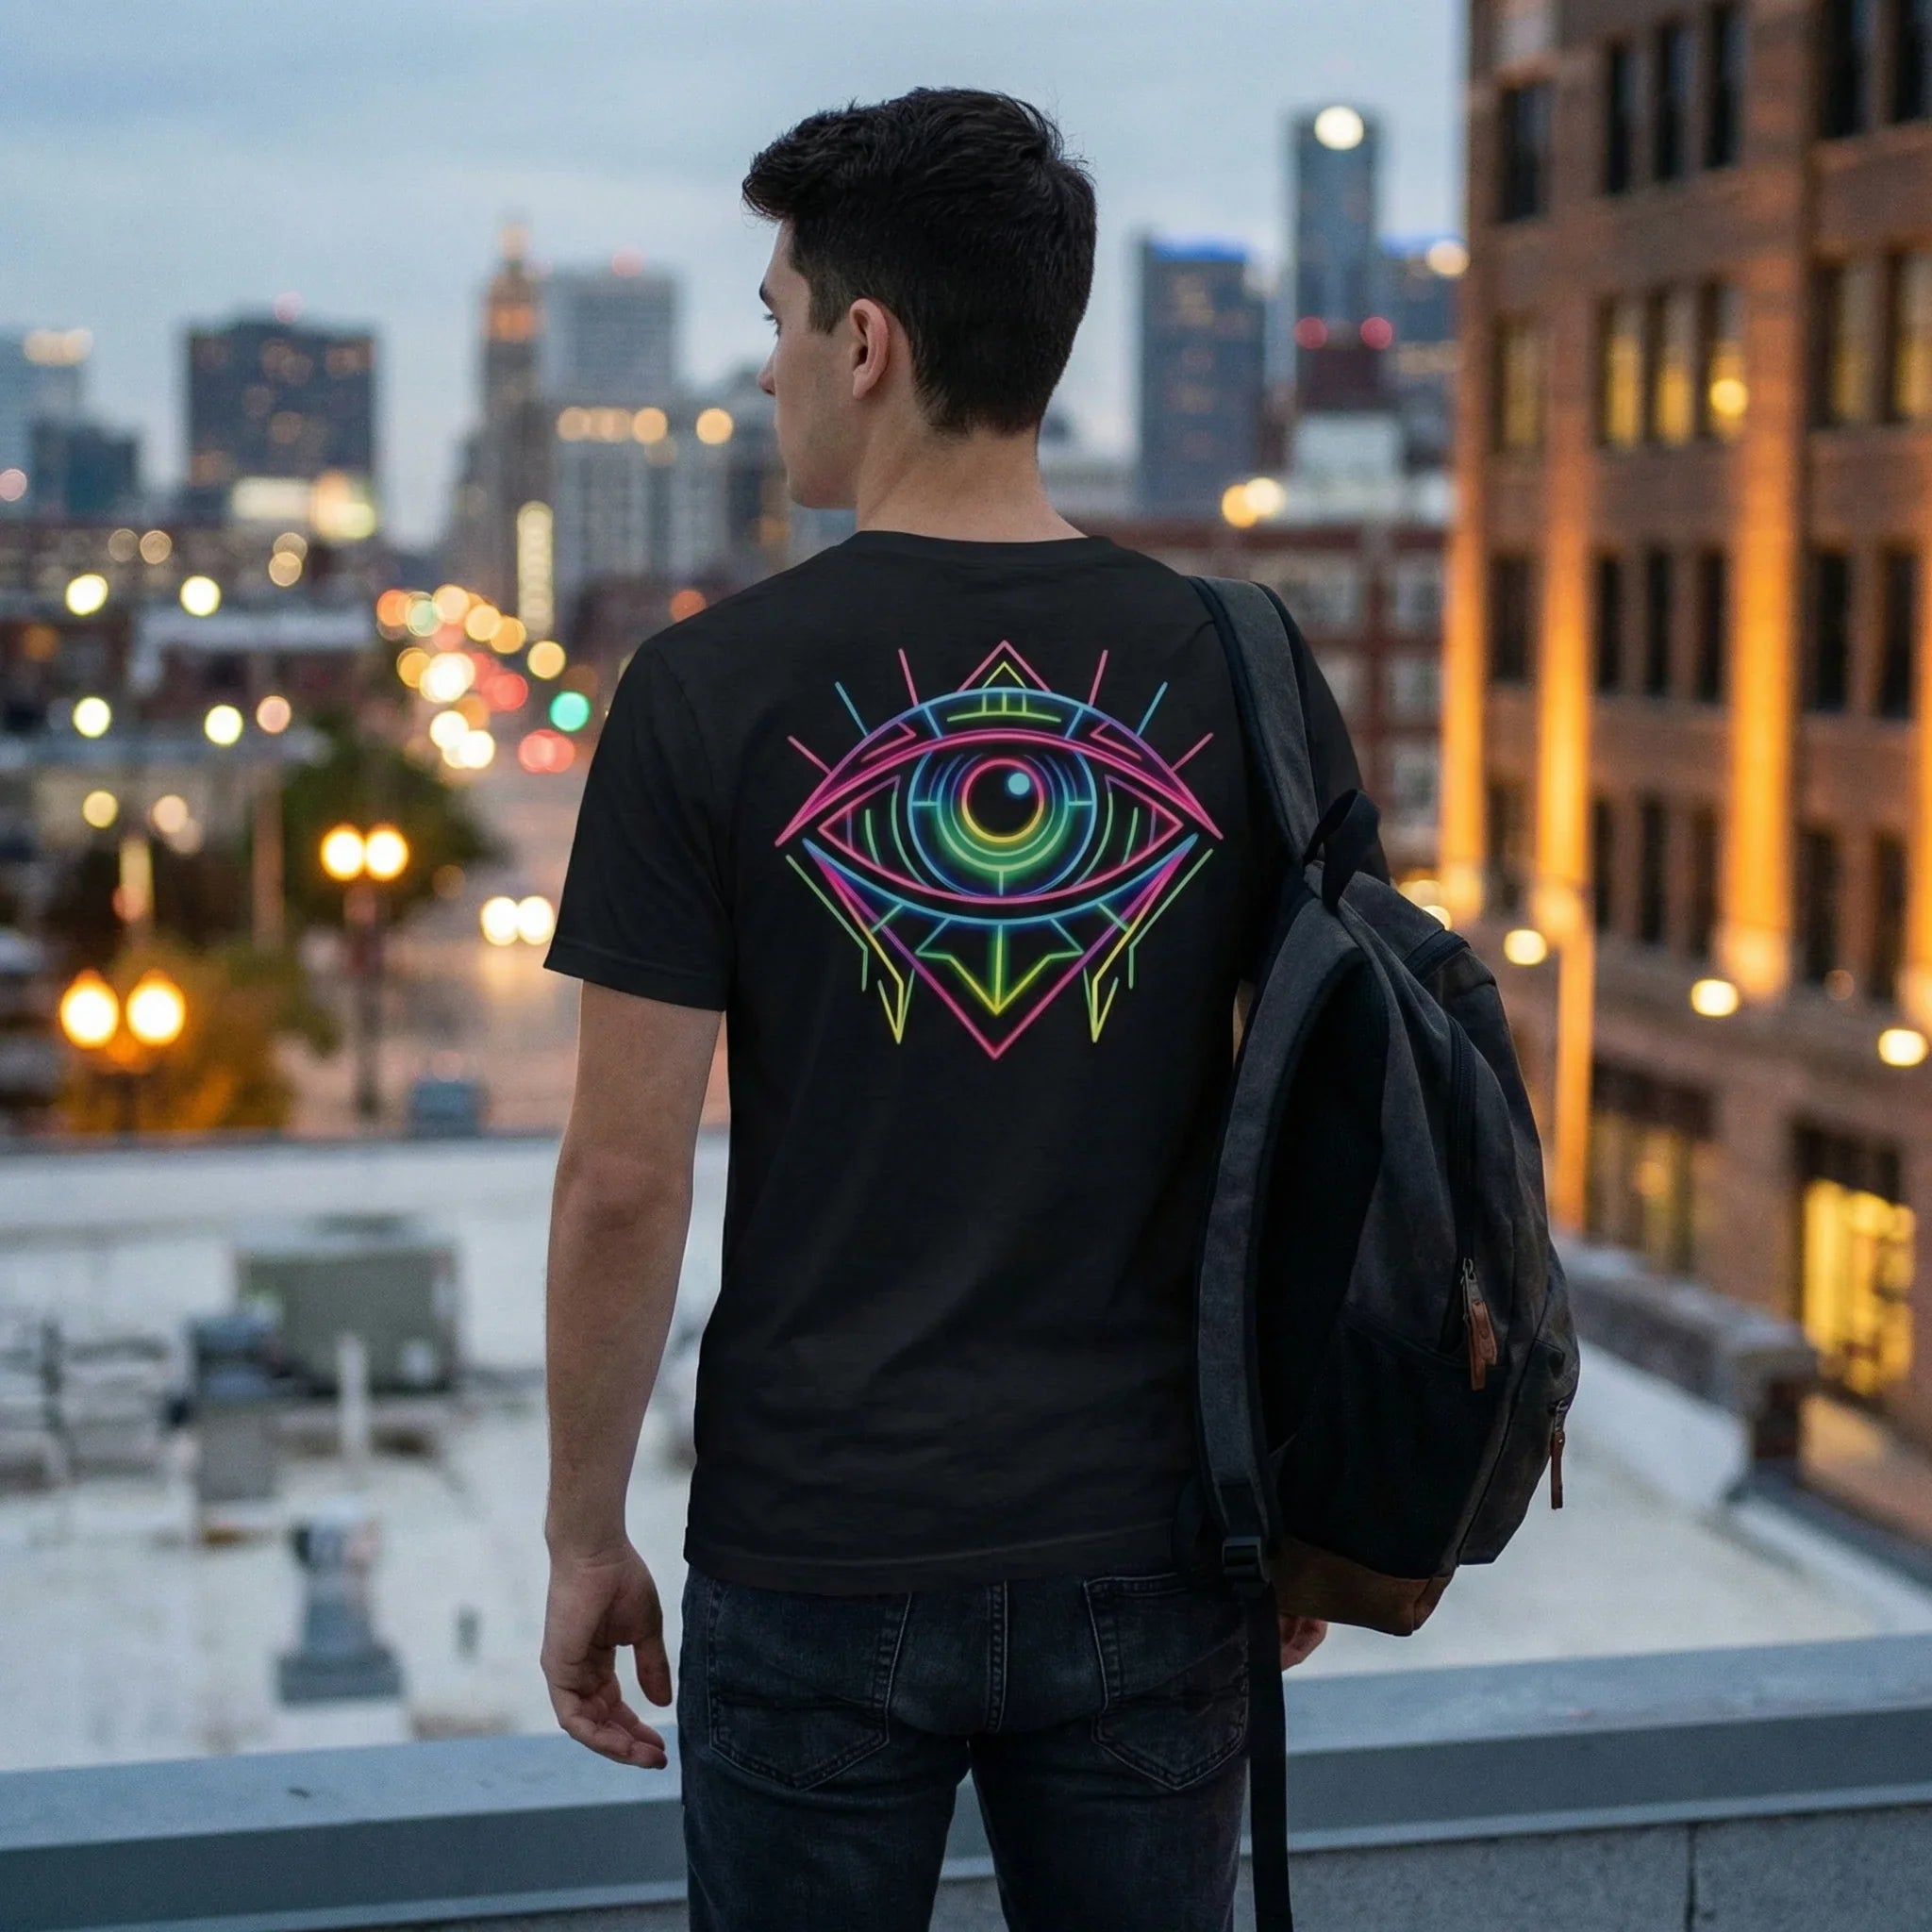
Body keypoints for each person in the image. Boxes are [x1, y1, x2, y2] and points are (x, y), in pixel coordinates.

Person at [539, 87, 1372, 1932]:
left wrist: (583, 1532)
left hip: (815, 1546)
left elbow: (620, 1179)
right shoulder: (1235, 662)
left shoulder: (702, 690)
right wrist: (1298, 1490)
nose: (763, 376)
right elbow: (1315, 1111)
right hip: (1154, 1545)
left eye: (772, 321)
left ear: (865, 342)